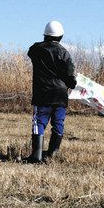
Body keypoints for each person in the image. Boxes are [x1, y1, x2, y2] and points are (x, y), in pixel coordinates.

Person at [26, 20, 77, 163]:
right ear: (61, 36)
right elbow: (70, 77)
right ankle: (52, 153)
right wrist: (72, 83)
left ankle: (36, 155)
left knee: (39, 122)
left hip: (42, 93)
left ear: (45, 34)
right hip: (60, 95)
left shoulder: (36, 49)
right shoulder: (64, 53)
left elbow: (30, 52)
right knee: (58, 122)